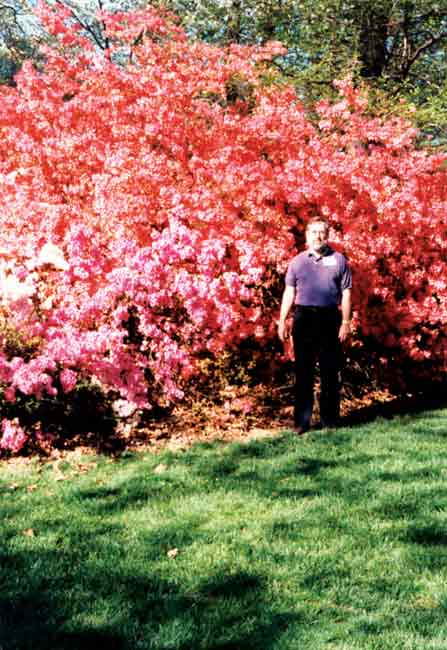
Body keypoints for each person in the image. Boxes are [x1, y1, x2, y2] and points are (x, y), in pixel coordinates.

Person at [278, 217, 352, 434]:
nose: (317, 236)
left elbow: (346, 293)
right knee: (303, 371)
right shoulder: (297, 262)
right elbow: (289, 292)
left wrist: (346, 322)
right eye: (313, 232)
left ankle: (330, 421)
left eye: (322, 232)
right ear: (307, 235)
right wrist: (283, 320)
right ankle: (302, 422)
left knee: (330, 371)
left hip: (330, 318)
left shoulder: (339, 260)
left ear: (327, 235)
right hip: (304, 318)